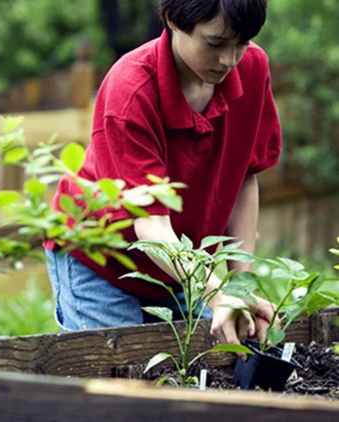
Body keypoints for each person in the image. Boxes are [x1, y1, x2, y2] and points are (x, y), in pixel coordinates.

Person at [44, 0, 281, 348]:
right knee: (119, 374)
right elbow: (150, 226)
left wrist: (237, 289)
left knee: (209, 363)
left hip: (178, 267)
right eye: (215, 44)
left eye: (242, 42)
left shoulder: (252, 67)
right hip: (101, 261)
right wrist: (216, 294)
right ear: (172, 19)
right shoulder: (131, 90)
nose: (229, 60)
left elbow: (245, 176)